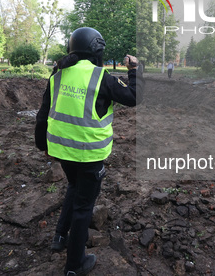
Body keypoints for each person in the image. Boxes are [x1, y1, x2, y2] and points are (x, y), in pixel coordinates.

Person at [35, 27, 142, 276]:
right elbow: (134, 97)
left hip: (62, 152)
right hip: (89, 155)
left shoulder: (57, 76)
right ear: (97, 49)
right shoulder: (100, 77)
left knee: (74, 188)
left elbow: (43, 115)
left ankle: (60, 237)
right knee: (84, 208)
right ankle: (75, 265)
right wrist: (134, 70)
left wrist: (44, 147)